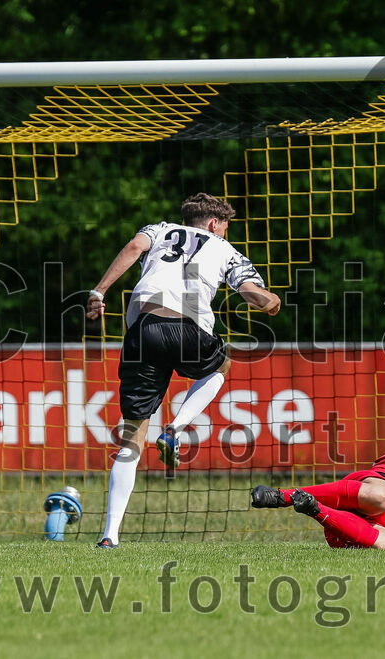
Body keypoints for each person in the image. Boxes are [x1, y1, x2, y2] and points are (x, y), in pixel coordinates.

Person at [86, 192, 281, 548]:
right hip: (188, 328)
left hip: (142, 331)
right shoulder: (225, 250)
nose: (226, 234)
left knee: (131, 439)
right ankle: (175, 427)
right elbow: (253, 293)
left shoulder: (158, 230)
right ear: (213, 224)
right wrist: (271, 302)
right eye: (226, 227)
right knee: (220, 364)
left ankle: (109, 536)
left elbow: (132, 248)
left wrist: (99, 292)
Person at [250, 424, 385, 549]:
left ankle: (313, 508)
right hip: (367, 493)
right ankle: (284, 496)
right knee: (381, 496)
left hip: (343, 532)